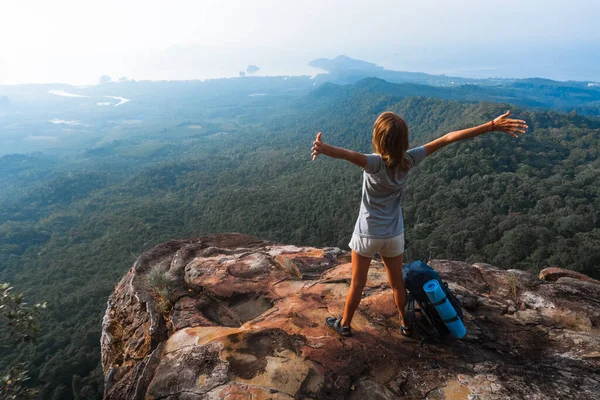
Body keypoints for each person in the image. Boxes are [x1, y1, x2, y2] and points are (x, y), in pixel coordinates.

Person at [311, 110, 528, 337]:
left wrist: (325, 149)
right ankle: (406, 324)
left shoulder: (374, 163)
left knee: (357, 283)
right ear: (404, 140)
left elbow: (348, 154)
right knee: (397, 284)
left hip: (367, 234)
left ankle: (344, 325)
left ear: (378, 139)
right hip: (394, 234)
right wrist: (491, 125)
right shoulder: (409, 160)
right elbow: (447, 138)